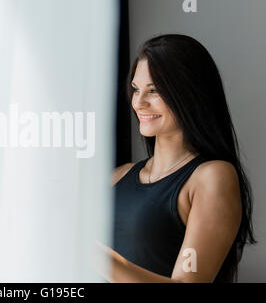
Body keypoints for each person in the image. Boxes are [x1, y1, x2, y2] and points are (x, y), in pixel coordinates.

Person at [97, 34, 256, 283]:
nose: (138, 102)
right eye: (136, 89)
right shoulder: (117, 177)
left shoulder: (212, 176)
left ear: (188, 94)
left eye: (154, 90)